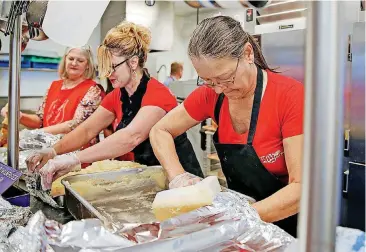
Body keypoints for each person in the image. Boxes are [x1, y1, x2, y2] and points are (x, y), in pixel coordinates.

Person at [150, 16, 304, 237]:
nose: (219, 89)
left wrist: (239, 218)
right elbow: (160, 131)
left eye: (226, 78)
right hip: (238, 225)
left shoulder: (290, 97)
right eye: (208, 81)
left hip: (287, 225)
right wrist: (177, 177)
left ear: (248, 54)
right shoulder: (210, 95)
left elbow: (300, 189)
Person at [26, 21, 203, 186]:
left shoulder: (157, 94)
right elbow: (87, 129)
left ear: (133, 62)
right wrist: (53, 151)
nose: (107, 74)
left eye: (112, 67)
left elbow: (130, 137)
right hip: (149, 177)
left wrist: (73, 159)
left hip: (179, 179)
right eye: (104, 68)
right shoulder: (117, 94)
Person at [1, 46, 104, 148]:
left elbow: (75, 124)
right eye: (71, 59)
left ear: (87, 65)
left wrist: (35, 134)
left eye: (80, 60)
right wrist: (20, 116)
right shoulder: (54, 86)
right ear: (65, 60)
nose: (74, 63)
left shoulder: (93, 90)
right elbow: (40, 120)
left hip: (77, 154)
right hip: (49, 150)